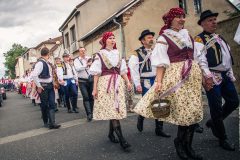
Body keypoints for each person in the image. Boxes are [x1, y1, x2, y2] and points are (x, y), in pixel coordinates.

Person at [133, 8, 212, 160]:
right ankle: (179, 143)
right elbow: (160, 63)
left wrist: (204, 78)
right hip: (177, 76)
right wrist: (158, 81)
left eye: (183, 16)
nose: (182, 19)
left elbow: (195, 58)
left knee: (192, 113)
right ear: (171, 20)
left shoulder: (187, 35)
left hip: (192, 77)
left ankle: (188, 145)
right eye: (178, 17)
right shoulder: (164, 37)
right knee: (184, 114)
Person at [195, 10, 239, 151]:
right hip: (212, 76)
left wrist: (230, 72)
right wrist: (207, 77)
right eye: (210, 20)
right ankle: (222, 138)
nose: (214, 22)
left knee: (234, 101)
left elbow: (227, 57)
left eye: (215, 19)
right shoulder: (199, 39)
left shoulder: (219, 37)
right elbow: (200, 60)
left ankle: (214, 122)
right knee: (216, 107)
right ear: (202, 23)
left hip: (225, 74)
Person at [89, 32, 131, 151]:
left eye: (113, 38)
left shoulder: (118, 53)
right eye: (110, 38)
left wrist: (127, 82)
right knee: (113, 111)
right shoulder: (100, 55)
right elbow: (96, 73)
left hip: (117, 83)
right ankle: (122, 140)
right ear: (105, 40)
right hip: (105, 85)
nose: (112, 40)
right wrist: (94, 88)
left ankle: (110, 134)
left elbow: (122, 71)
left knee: (114, 111)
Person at [128, 29, 170, 137]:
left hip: (157, 79)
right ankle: (141, 117)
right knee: (147, 102)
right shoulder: (136, 53)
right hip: (145, 80)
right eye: (149, 37)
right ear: (143, 41)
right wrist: (137, 84)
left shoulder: (157, 49)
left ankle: (159, 129)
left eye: (152, 37)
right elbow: (134, 70)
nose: (152, 39)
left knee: (159, 102)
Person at [31, 47, 61, 129]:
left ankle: (52, 123)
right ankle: (46, 122)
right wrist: (39, 85)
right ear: (48, 54)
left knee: (52, 104)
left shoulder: (48, 63)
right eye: (50, 54)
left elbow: (51, 75)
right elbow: (34, 75)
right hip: (43, 86)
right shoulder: (40, 63)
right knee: (44, 105)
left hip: (50, 85)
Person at [74, 47, 94, 121]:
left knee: (91, 96)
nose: (83, 52)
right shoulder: (77, 60)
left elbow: (94, 67)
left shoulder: (89, 58)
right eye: (81, 51)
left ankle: (92, 112)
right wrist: (86, 65)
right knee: (86, 97)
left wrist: (92, 64)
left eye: (84, 50)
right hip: (82, 81)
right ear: (79, 52)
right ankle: (88, 114)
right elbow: (77, 69)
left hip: (91, 79)